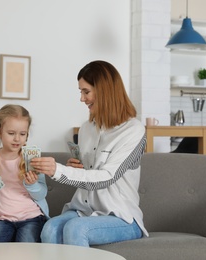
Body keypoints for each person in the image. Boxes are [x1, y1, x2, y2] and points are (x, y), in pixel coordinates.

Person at [30, 60, 149, 247]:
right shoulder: (86, 129)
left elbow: (107, 177)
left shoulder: (133, 130)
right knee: (50, 228)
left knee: (77, 229)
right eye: (81, 92)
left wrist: (58, 170)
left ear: (104, 91)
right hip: (83, 209)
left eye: (86, 92)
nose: (82, 98)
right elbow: (90, 171)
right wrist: (77, 167)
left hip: (120, 216)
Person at [0, 104, 48, 243]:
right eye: (11, 133)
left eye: (22, 134)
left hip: (31, 218)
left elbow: (42, 194)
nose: (17, 139)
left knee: (28, 252)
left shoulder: (33, 160)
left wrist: (32, 185)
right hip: (1, 219)